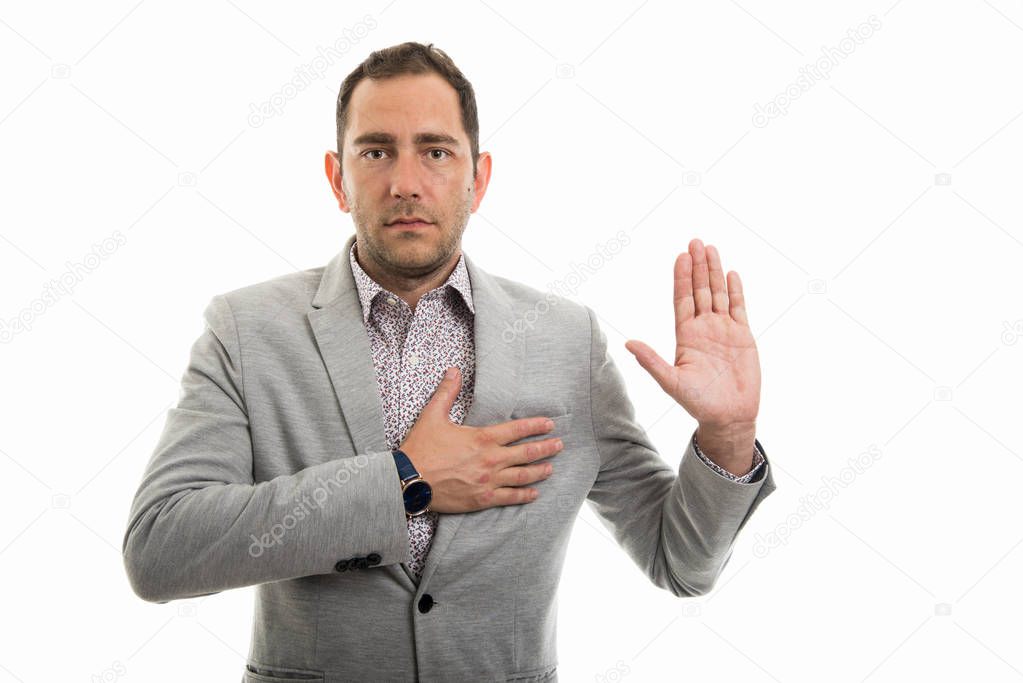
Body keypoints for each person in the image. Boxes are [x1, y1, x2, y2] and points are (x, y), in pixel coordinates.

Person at [123, 41, 776, 682]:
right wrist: (405, 480)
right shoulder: (248, 331)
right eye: (375, 151)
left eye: (435, 151)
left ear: (478, 176)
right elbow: (159, 551)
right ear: (336, 176)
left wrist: (726, 434)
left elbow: (680, 562)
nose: (405, 183)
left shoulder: (566, 342)